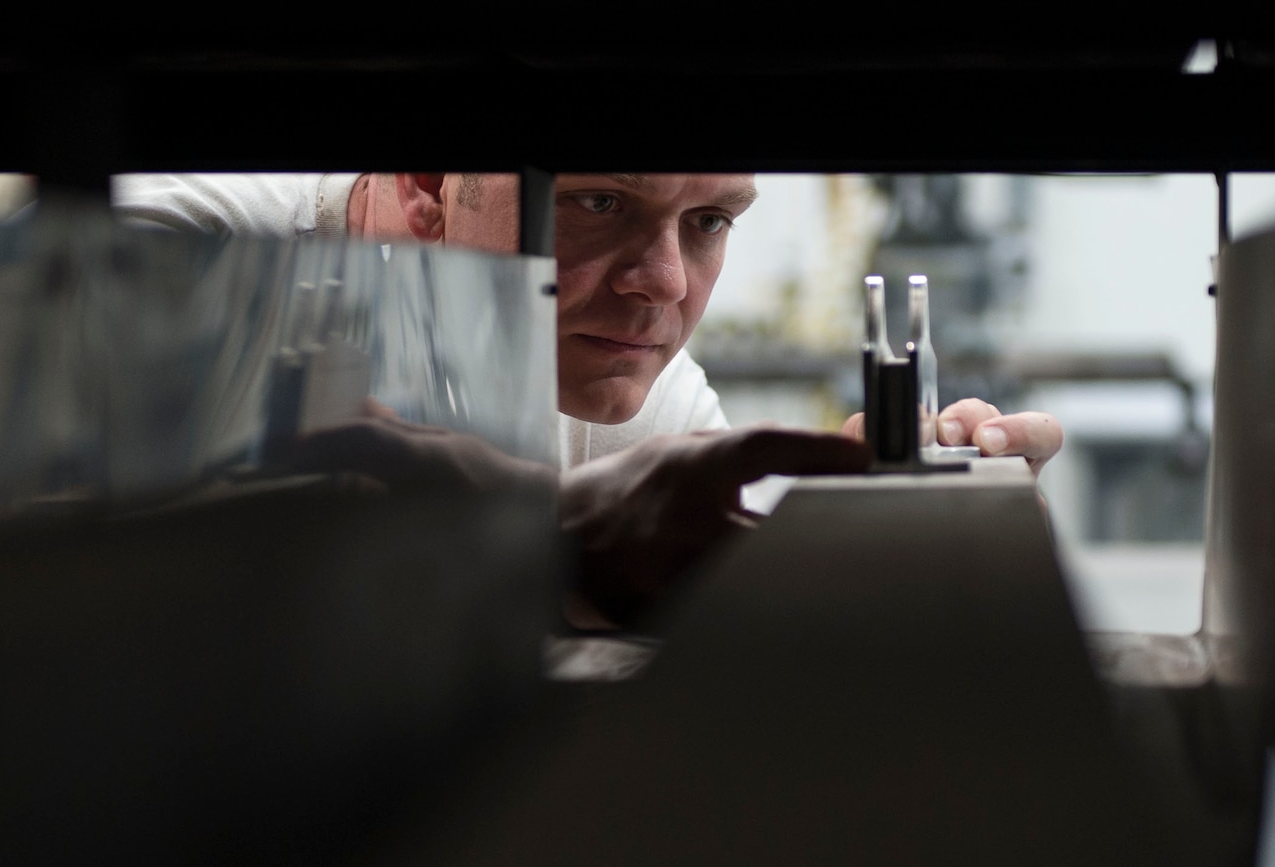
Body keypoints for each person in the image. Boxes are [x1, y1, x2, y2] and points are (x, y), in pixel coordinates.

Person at [115, 172, 1064, 625]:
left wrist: (862, 535)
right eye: (598, 201)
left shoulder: (642, 401)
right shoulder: (176, 267)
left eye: (708, 222)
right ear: (423, 183)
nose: (662, 283)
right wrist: (548, 531)